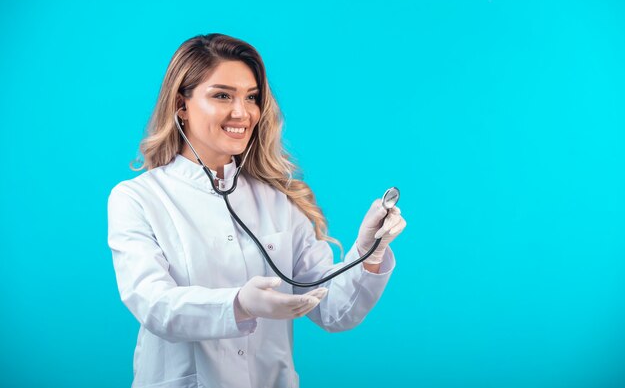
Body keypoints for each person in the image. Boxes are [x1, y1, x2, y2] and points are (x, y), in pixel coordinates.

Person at [107, 33, 407, 388]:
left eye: (251, 98)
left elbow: (334, 311)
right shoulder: (138, 197)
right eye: (222, 95)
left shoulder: (278, 199)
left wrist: (370, 250)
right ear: (181, 105)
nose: (242, 112)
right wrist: (239, 304)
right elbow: (154, 304)